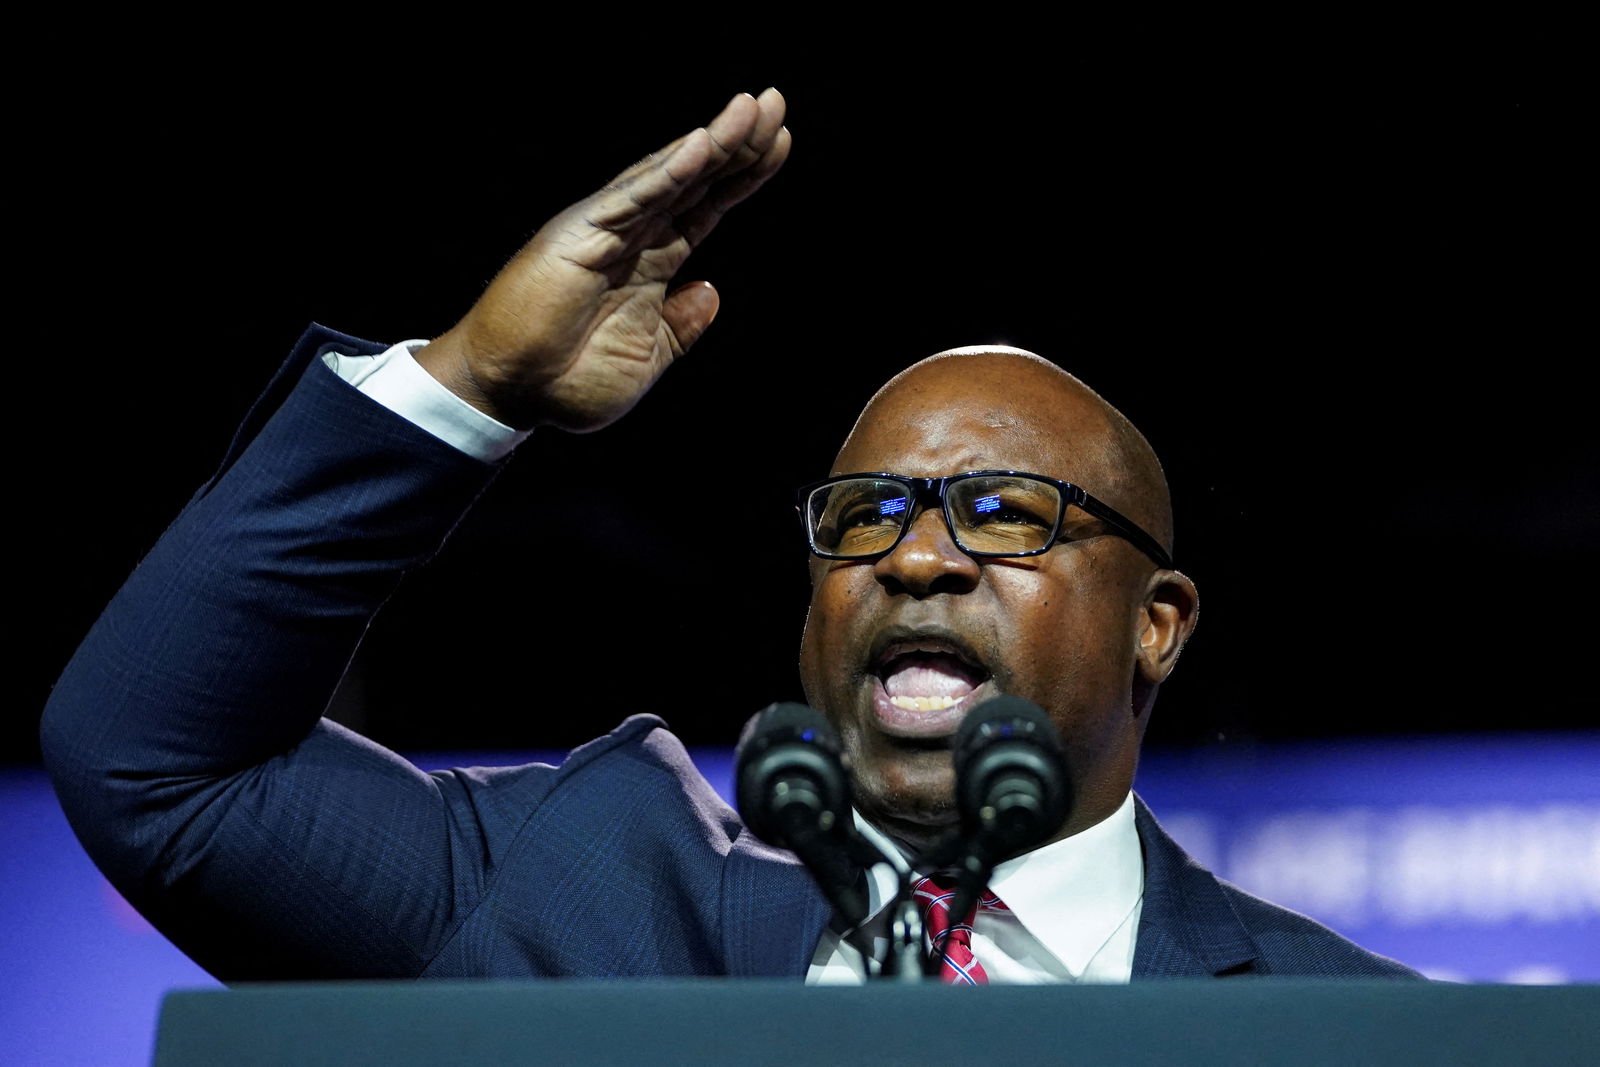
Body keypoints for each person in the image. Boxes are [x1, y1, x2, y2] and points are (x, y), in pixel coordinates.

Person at [41, 89, 1416, 982]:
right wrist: (467, 384)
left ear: (1157, 622)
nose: (916, 560)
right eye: (863, 518)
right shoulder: (589, 892)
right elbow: (159, 769)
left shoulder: (1356, 1028)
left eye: (1003, 514)